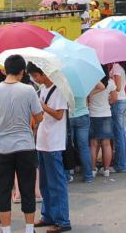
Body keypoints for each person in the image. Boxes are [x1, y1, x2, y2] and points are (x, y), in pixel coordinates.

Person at [0, 54, 43, 233]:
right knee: (27, 188)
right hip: (25, 146)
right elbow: (39, 117)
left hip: (1, 147)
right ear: (22, 71)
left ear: (5, 70)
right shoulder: (28, 90)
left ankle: (6, 230)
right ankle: (28, 229)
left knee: (2, 190)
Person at [28, 62, 71, 233]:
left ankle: (62, 220)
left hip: (54, 142)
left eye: (35, 76)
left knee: (57, 182)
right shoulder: (43, 89)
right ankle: (48, 215)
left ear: (43, 73)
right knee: (45, 182)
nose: (34, 79)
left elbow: (59, 115)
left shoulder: (58, 89)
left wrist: (42, 106)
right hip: (43, 140)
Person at [88, 70, 115, 175]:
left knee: (93, 144)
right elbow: (114, 99)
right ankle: (106, 169)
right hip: (106, 114)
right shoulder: (111, 82)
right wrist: (107, 103)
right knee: (106, 143)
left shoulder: (91, 81)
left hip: (93, 115)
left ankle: (93, 169)